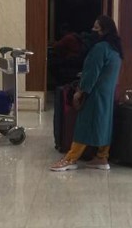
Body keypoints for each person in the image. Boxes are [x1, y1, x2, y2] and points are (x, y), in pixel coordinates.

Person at [50, 15, 123, 171]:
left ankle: (70, 159)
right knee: (104, 124)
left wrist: (80, 91)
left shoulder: (100, 48)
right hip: (108, 94)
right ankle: (102, 157)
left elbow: (91, 73)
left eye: (96, 28)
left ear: (104, 30)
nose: (92, 31)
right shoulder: (115, 50)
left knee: (84, 125)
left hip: (95, 94)